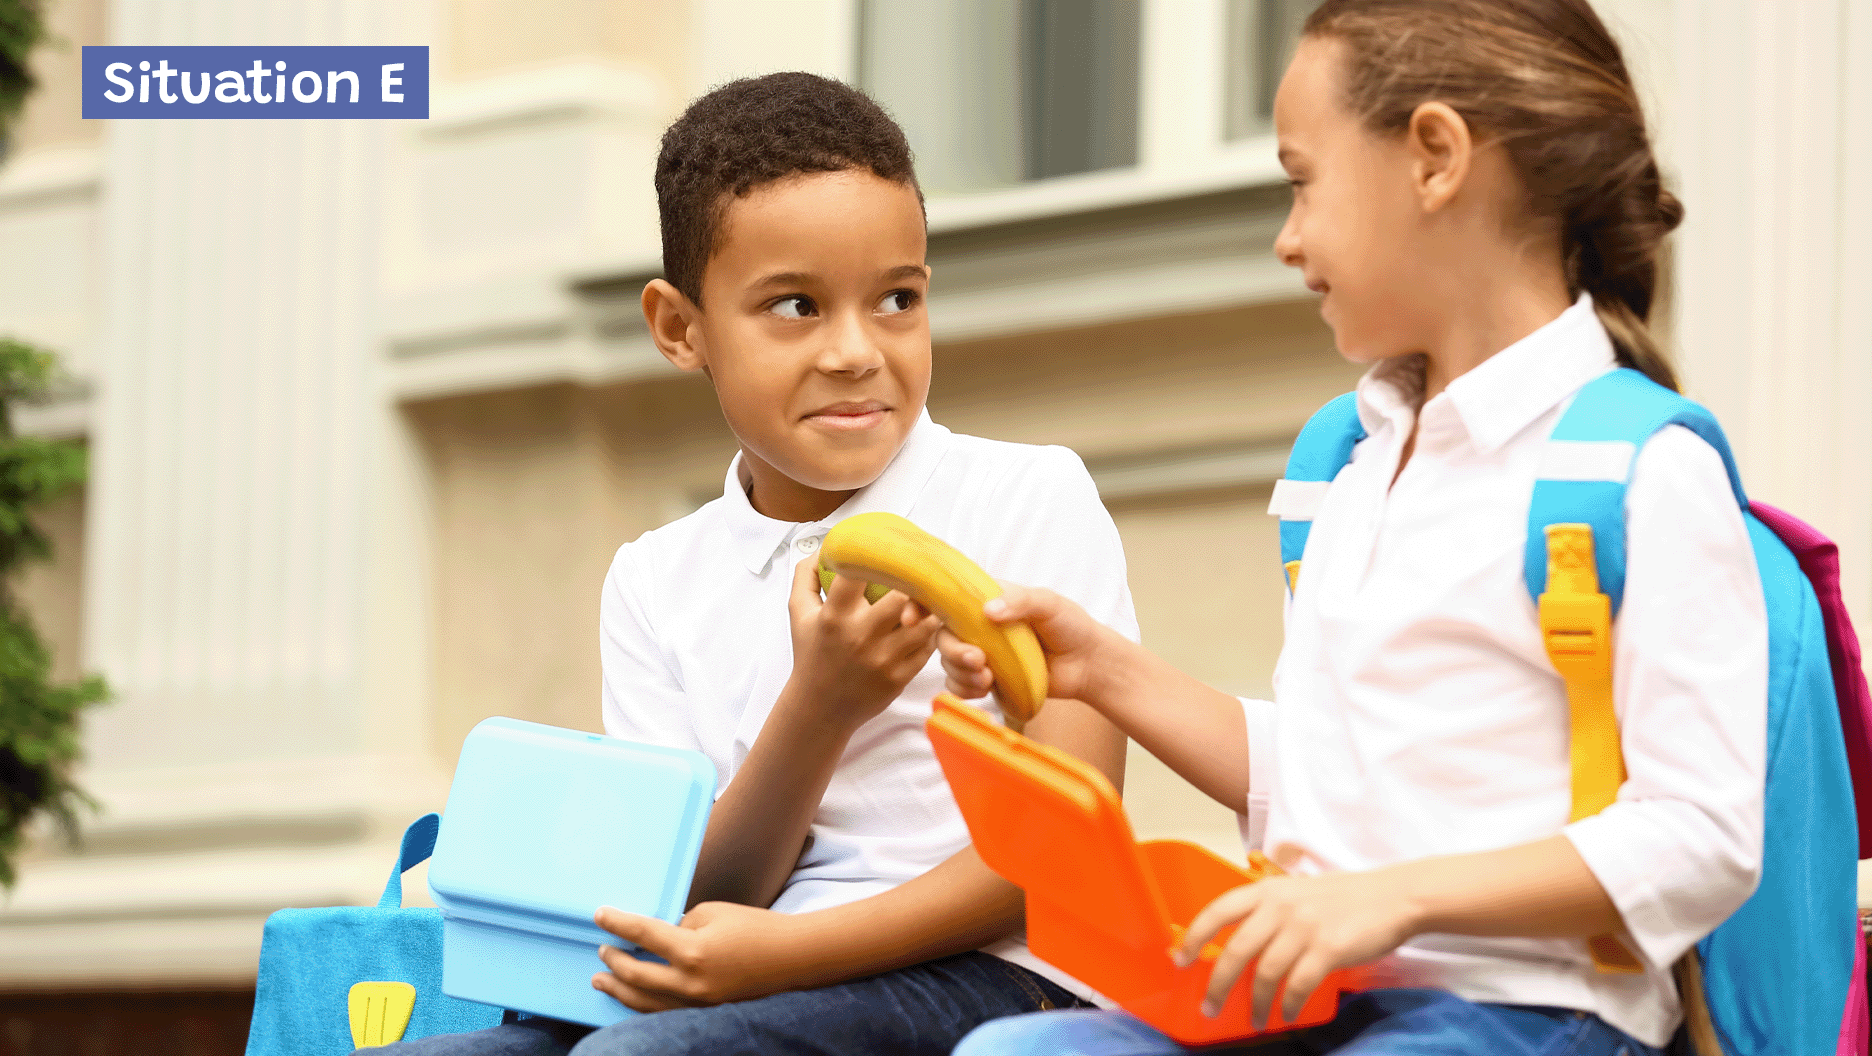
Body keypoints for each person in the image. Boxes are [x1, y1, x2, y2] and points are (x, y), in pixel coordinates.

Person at [943, 2, 1764, 1053]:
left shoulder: (1640, 471)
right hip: (1319, 1002)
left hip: (1523, 1015)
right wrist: (1104, 671)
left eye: (1301, 179)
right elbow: (1328, 778)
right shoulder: (1352, 464)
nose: (1286, 239)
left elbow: (1706, 837)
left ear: (1433, 158)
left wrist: (1394, 901)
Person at [361, 72, 1136, 1056]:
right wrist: (821, 709)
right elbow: (707, 893)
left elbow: (1063, 858)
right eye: (796, 306)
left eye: (897, 298)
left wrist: (784, 954)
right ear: (680, 329)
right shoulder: (655, 577)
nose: (857, 351)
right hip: (738, 972)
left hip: (1000, 975)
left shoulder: (1024, 499)